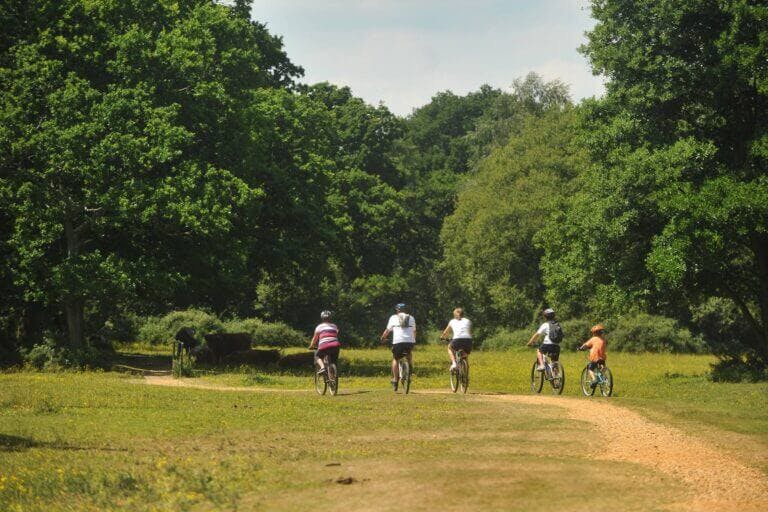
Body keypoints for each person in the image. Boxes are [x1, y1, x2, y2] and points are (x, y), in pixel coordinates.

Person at [380, 303, 416, 391]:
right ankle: (410, 370)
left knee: (395, 359)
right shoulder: (411, 318)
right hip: (409, 342)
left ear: (397, 310)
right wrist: (413, 340)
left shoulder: (393, 318)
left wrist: (383, 338)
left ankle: (395, 380)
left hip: (398, 342)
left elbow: (387, 330)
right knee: (409, 354)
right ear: (405, 310)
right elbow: (414, 331)